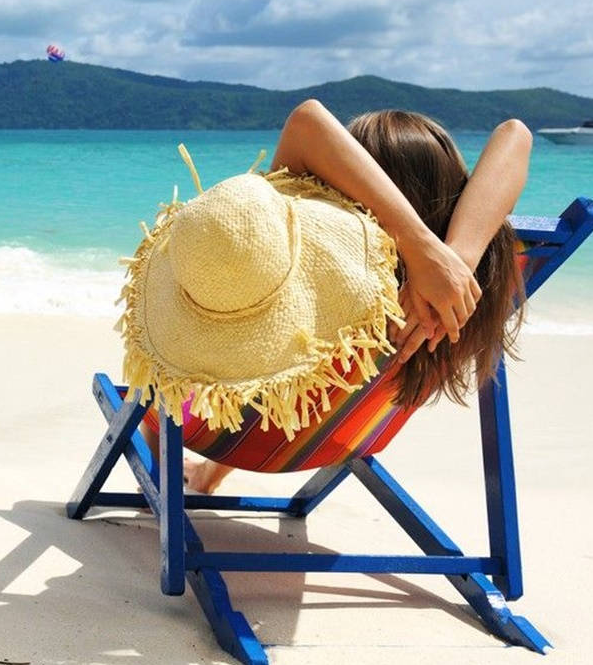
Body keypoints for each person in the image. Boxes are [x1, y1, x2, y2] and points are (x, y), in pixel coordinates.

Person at [148, 99, 532, 492]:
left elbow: (307, 122)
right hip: (348, 436)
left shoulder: (324, 267)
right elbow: (516, 134)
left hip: (241, 434)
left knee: (162, 368)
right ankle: (208, 477)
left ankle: (189, 470)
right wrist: (455, 260)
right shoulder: (473, 277)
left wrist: (425, 250)